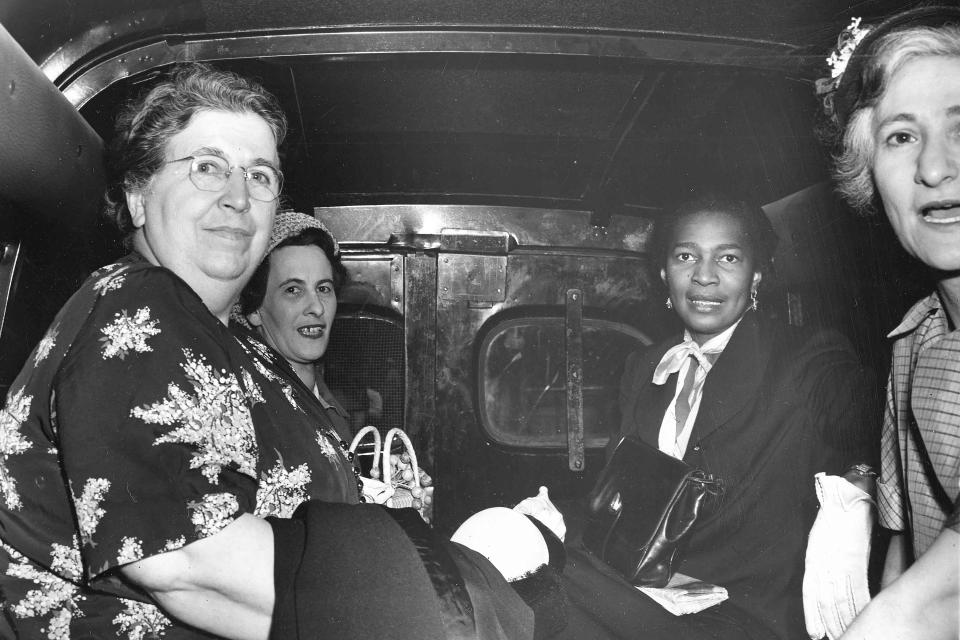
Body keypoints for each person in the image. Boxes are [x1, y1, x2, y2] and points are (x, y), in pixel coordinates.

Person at [0, 63, 553, 640]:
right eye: (208, 167)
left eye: (260, 175)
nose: (239, 197)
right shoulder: (140, 301)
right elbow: (187, 563)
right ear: (138, 197)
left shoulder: (239, 347)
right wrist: (455, 597)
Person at [557, 193, 878, 640]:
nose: (704, 277)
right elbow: (621, 498)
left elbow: (876, 418)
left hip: (742, 614)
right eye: (686, 256)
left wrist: (861, 473)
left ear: (756, 275)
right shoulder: (645, 365)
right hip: (648, 588)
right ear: (665, 273)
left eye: (728, 257)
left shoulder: (806, 358)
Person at [807, 6, 960, 639]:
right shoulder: (913, 342)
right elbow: (907, 555)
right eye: (901, 136)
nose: (933, 167)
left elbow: (931, 603)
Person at [234, 210, 353, 441]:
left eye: (323, 288)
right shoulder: (254, 416)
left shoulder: (325, 399)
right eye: (293, 290)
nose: (317, 307)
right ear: (255, 309)